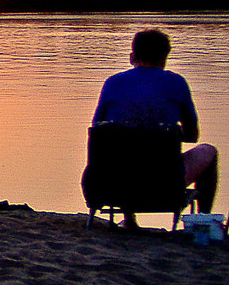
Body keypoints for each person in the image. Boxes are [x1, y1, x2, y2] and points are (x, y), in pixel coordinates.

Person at [91, 28, 218, 225]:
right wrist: (161, 132)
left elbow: (98, 129)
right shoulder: (177, 83)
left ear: (132, 56)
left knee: (120, 144)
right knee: (209, 151)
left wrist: (134, 131)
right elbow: (193, 135)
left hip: (113, 181)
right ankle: (202, 221)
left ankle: (129, 218)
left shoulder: (113, 83)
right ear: (164, 58)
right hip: (163, 183)